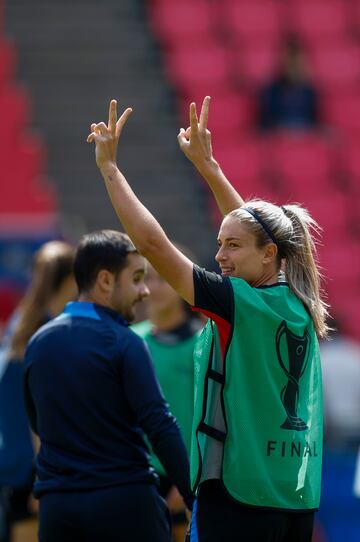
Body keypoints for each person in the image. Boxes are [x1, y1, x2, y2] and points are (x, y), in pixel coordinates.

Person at [87, 96, 328, 542]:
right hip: (295, 496)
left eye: (231, 247)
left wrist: (110, 170)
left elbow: (156, 248)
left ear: (269, 254)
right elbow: (258, 234)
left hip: (238, 496)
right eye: (219, 243)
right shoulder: (300, 298)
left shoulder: (240, 301)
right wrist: (209, 166)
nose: (220, 256)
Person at [23, 230, 193, 542]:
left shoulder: (38, 342)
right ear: (105, 280)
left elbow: (39, 424)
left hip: (58, 513)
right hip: (125, 508)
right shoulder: (125, 342)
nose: (144, 291)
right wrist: (193, 496)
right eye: (137, 278)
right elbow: (159, 425)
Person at [0, 240, 76, 542]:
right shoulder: (51, 331)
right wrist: (44, 475)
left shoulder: (21, 323)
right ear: (71, 280)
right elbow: (41, 411)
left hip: (12, 460)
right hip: (35, 468)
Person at [132, 261, 203, 542]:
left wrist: (189, 478)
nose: (157, 287)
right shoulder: (131, 339)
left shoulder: (202, 341)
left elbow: (211, 414)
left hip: (182, 476)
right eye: (149, 278)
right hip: (136, 474)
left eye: (166, 279)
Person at [258, 37, 319, 131]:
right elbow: (265, 124)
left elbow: (315, 122)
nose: (294, 65)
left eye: (297, 59)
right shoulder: (271, 91)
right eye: (290, 59)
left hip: (304, 138)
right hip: (280, 137)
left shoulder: (310, 92)